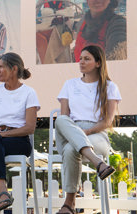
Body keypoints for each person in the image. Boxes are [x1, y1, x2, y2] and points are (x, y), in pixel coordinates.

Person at [55, 45, 121, 214]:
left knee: (72, 149)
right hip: (70, 131)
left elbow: (107, 121)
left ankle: (69, 203)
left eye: (87, 59)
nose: (81, 62)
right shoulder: (69, 84)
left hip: (97, 134)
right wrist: (77, 133)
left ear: (98, 63)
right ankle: (98, 163)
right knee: (61, 120)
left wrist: (87, 132)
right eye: (81, 58)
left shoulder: (110, 86)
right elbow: (65, 119)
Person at [0, 52, 40, 213]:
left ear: (13, 69)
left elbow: (30, 128)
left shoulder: (29, 92)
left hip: (19, 141)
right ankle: (2, 191)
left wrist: (2, 135)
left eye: (1, 67)